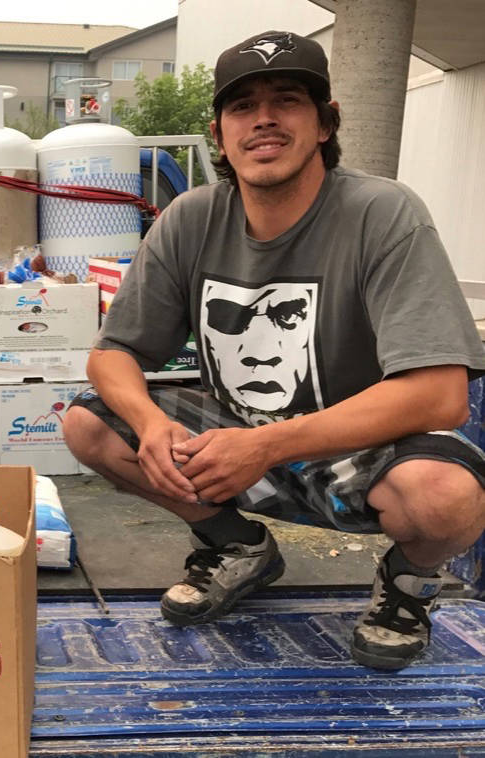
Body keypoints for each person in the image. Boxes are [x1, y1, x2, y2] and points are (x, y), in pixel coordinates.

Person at [63, 30, 485, 671]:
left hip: (355, 451)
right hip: (233, 435)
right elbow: (113, 352)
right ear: (220, 132)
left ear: (324, 123)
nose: (263, 119)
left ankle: (407, 583)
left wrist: (265, 446)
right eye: (242, 106)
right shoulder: (191, 217)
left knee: (445, 495)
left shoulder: (383, 214)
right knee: (91, 424)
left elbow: (442, 394)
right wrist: (151, 425)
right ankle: (237, 547)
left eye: (286, 100)